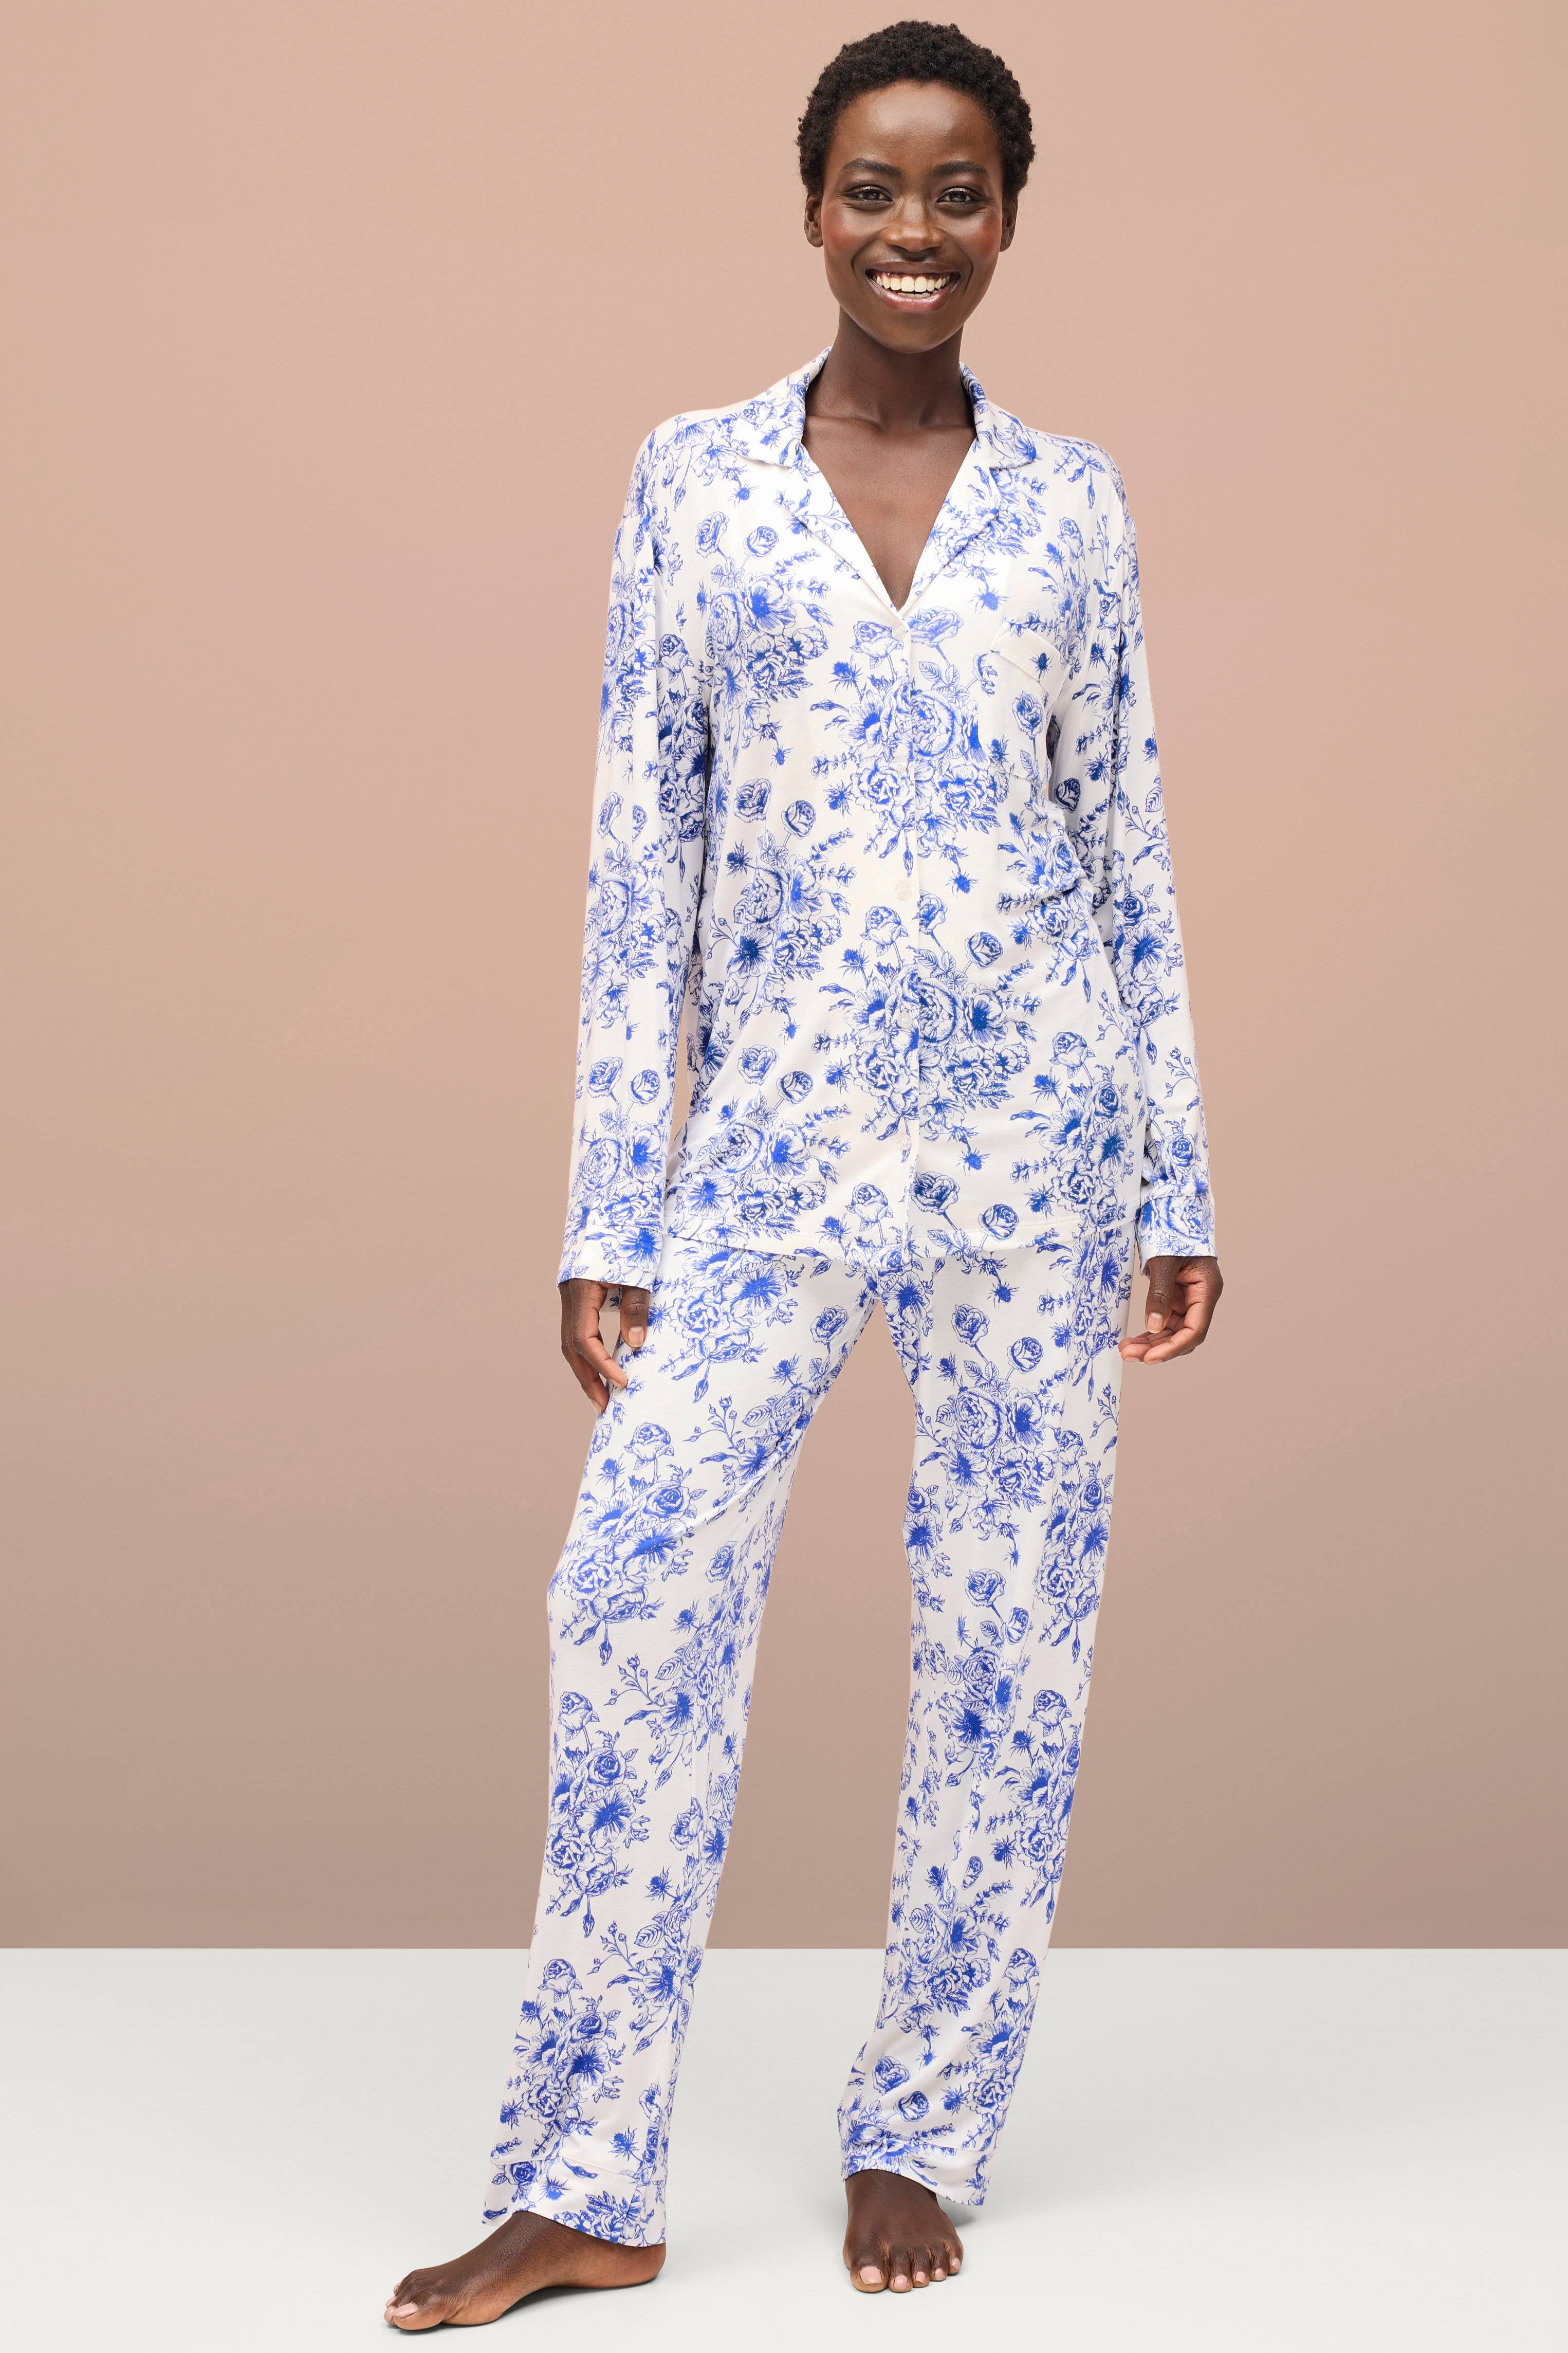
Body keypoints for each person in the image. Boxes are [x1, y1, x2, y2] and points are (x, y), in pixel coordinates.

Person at [385, 17, 1222, 2329]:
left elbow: (1125, 837)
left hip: (1034, 1137)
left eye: (957, 191)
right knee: (632, 1587)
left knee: (1007, 1642)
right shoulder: (693, 481)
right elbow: (635, 855)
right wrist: (605, 1203)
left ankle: (919, 2122)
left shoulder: (1072, 503)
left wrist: (1176, 1168)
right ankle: (586, 2176)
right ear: (813, 209)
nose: (912, 230)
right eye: (874, 187)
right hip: (769, 1138)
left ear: (1008, 220)